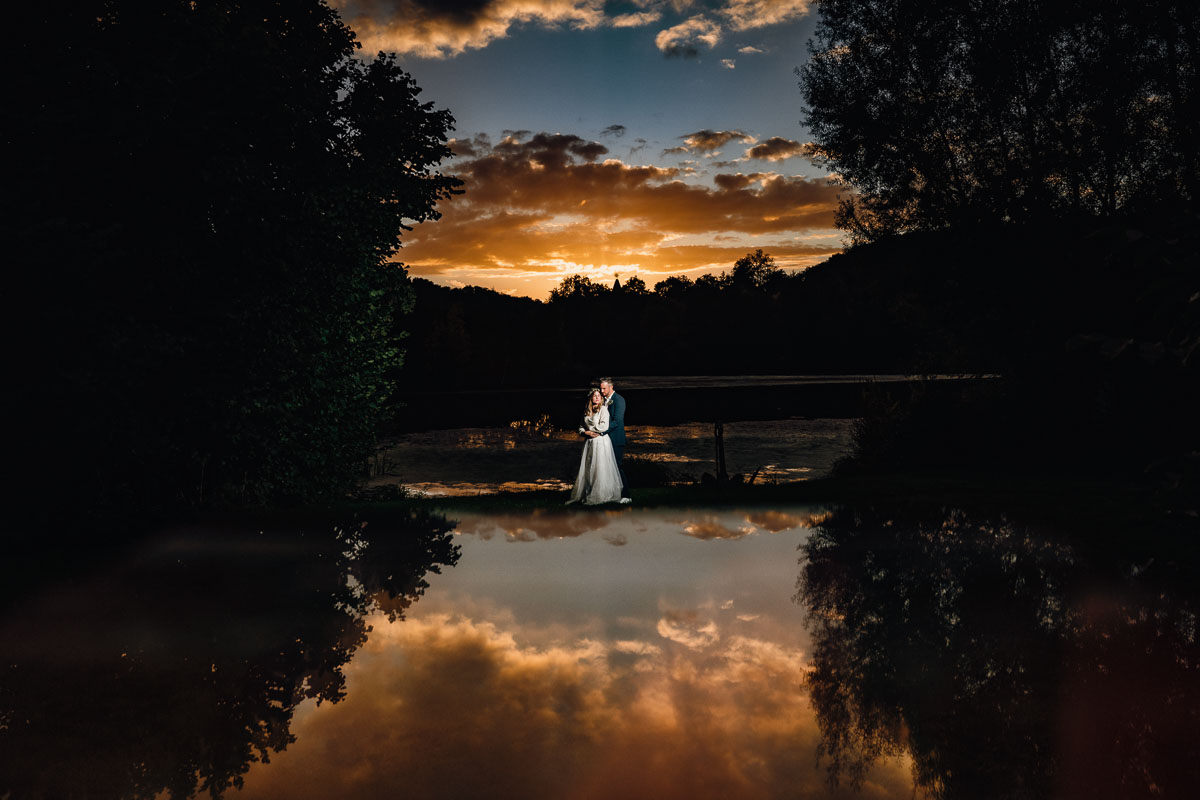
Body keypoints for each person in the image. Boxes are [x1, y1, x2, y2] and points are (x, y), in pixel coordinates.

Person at [566, 388, 624, 505]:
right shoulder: (587, 411)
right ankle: (588, 491)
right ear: (591, 398)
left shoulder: (603, 410)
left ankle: (601, 494)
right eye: (594, 396)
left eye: (599, 395)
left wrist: (591, 430)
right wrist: (585, 432)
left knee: (600, 466)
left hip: (601, 442)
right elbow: (581, 427)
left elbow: (604, 426)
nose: (597, 397)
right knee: (589, 467)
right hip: (590, 442)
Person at [598, 377, 631, 503]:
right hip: (605, 440)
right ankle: (610, 494)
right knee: (606, 467)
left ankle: (626, 496)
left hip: (616, 439)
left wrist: (601, 431)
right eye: (600, 388)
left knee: (617, 466)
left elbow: (617, 421)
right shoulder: (603, 400)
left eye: (604, 388)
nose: (601, 391)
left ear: (611, 387)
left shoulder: (619, 400)